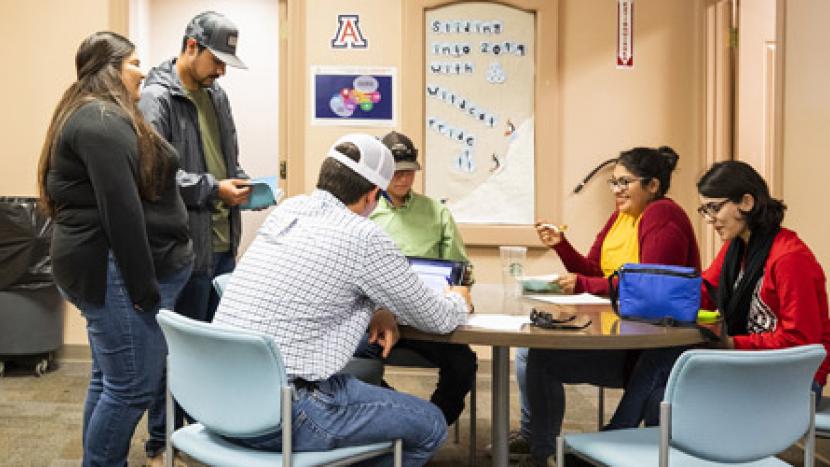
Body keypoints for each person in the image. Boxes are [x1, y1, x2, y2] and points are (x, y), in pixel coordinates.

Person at [212, 133, 473, 466]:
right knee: (430, 425)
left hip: (220, 400)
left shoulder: (287, 211)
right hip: (284, 412)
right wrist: (459, 298)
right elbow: (438, 318)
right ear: (371, 196)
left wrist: (380, 306)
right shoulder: (364, 236)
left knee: (374, 396)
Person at [37, 32, 193, 466]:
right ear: (110, 69)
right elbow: (121, 214)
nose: (142, 71)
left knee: (109, 381)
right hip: (113, 270)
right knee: (131, 387)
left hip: (103, 267)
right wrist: (145, 291)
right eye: (133, 63)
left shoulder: (94, 114)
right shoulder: (101, 122)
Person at [517, 146, 701, 467]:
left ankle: (544, 451)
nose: (616, 191)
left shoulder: (662, 215)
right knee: (534, 354)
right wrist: (560, 245)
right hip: (624, 332)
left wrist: (584, 284)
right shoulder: (620, 216)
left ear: (652, 186)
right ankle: (544, 449)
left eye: (624, 183)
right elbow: (592, 270)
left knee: (540, 359)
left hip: (647, 348)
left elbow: (650, 289)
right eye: (613, 183)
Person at [613, 160, 830, 428]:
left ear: (746, 202)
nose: (709, 219)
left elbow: (802, 344)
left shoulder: (790, 258)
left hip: (793, 379)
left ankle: (619, 438)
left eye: (715, 208)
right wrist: (648, 299)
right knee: (662, 379)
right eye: (704, 210)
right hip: (752, 364)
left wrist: (732, 344)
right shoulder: (736, 249)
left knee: (665, 382)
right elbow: (702, 292)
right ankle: (642, 447)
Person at [138, 11, 250, 460]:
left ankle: (201, 435)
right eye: (217, 60)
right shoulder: (155, 98)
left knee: (209, 351)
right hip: (184, 249)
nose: (222, 70)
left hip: (223, 243)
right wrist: (211, 189)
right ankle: (162, 438)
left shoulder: (216, 94)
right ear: (191, 47)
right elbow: (155, 177)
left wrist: (244, 185)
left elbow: (228, 158)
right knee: (174, 353)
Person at [353, 130, 476, 426]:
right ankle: (402, 416)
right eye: (396, 172)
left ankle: (432, 422)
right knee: (354, 364)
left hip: (426, 316)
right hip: (375, 317)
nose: (404, 179)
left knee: (463, 364)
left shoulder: (436, 212)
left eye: (410, 172)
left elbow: (460, 269)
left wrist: (462, 291)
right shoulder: (365, 211)